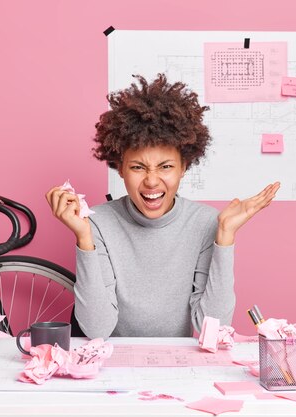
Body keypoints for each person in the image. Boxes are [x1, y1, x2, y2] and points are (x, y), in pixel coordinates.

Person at [46, 74, 280, 339]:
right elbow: (97, 329)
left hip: (177, 365)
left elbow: (211, 328)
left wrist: (224, 237)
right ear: (120, 168)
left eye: (166, 167)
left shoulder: (205, 223)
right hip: (111, 362)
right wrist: (84, 238)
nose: (152, 181)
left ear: (184, 167)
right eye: (137, 167)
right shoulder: (98, 223)